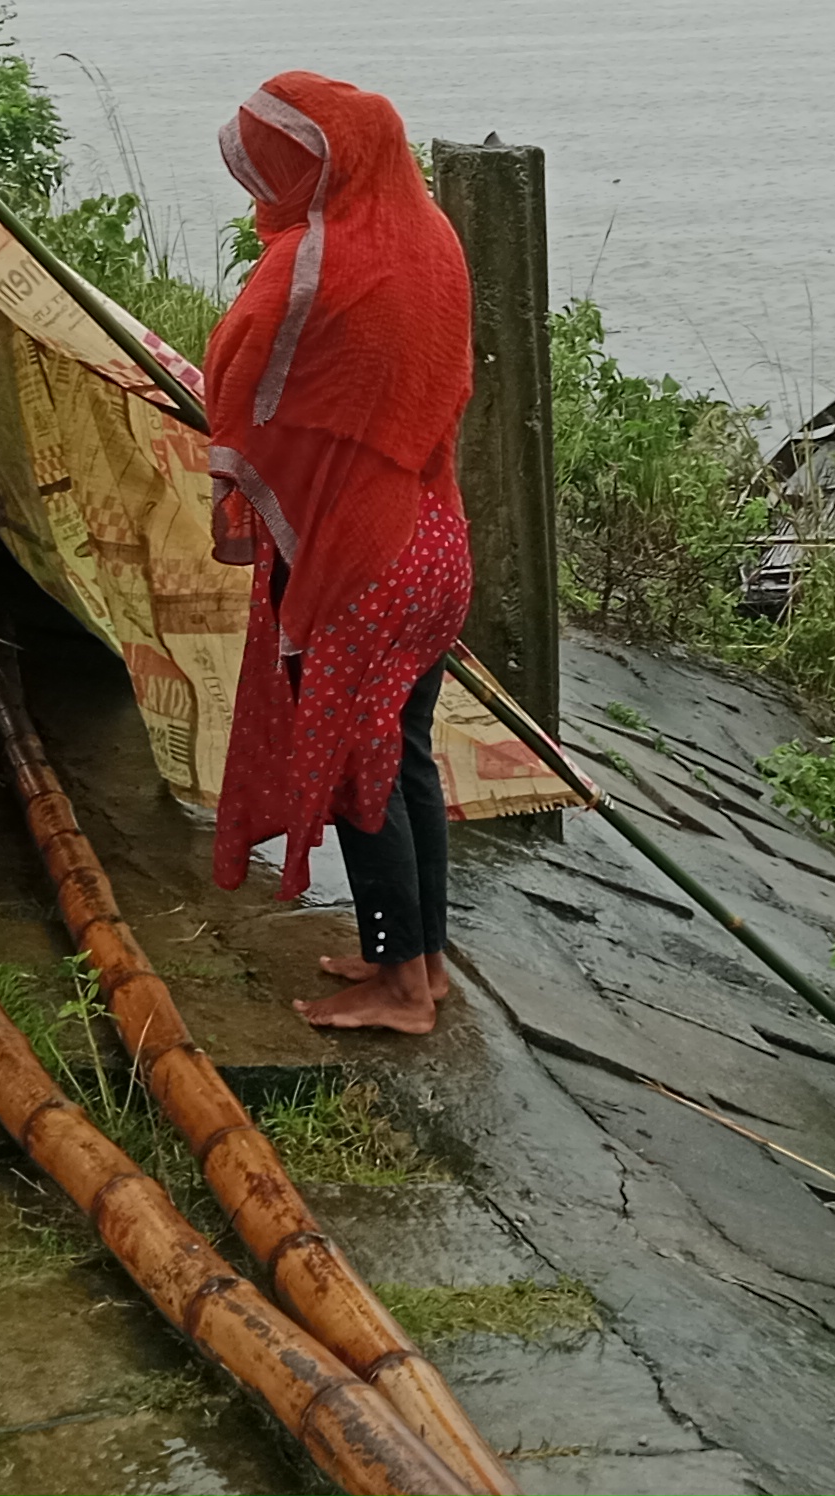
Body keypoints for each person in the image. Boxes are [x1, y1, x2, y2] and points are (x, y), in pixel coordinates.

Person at [201, 73, 476, 1037]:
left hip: (359, 558)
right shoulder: (427, 236)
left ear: (315, 166)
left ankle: (399, 991)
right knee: (402, 760)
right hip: (434, 538)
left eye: (271, 170)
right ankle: (421, 959)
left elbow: (242, 384)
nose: (260, 193)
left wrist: (231, 474)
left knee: (363, 770)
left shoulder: (318, 264)